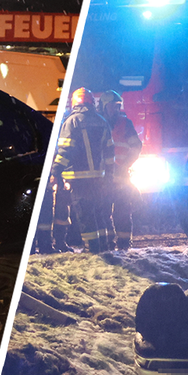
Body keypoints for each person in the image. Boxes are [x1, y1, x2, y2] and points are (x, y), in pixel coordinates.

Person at [49, 87, 115, 252]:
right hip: (98, 177)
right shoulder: (102, 121)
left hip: (78, 178)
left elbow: (65, 151)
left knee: (85, 216)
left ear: (74, 103)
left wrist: (55, 171)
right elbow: (109, 152)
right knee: (98, 214)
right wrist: (109, 175)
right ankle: (104, 246)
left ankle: (91, 249)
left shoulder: (72, 122)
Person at [98, 89, 143, 249]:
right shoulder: (97, 123)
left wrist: (125, 165)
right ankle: (108, 243)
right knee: (103, 212)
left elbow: (136, 146)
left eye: (118, 106)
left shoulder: (125, 123)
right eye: (113, 106)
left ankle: (124, 244)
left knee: (123, 211)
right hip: (103, 177)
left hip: (121, 176)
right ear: (104, 106)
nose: (116, 109)